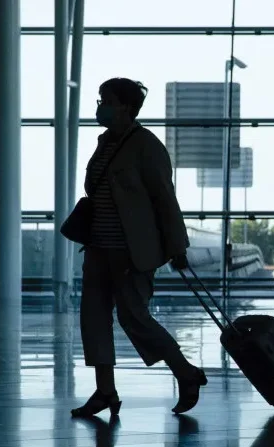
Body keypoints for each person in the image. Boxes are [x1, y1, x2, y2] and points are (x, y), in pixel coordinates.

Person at [71, 77, 207, 419]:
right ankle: (105, 391)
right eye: (100, 99)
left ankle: (185, 371)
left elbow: (165, 199)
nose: (99, 106)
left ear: (127, 108)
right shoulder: (104, 143)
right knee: (94, 320)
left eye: (106, 100)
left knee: (135, 318)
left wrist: (177, 246)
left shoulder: (146, 146)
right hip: (99, 248)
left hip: (130, 251)